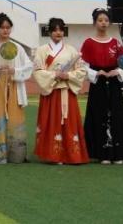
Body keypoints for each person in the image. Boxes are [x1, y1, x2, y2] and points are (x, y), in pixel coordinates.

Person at [32, 17, 89, 165]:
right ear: (49, 32)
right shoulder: (41, 51)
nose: (58, 33)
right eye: (55, 30)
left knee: (69, 123)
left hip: (67, 91)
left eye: (61, 30)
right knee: (51, 122)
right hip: (51, 92)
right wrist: (54, 75)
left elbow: (81, 70)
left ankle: (71, 155)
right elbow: (37, 71)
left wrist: (67, 75)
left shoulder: (72, 50)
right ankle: (53, 155)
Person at [81, 8, 123, 164]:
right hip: (98, 84)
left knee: (116, 115)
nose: (103, 23)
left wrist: (118, 71)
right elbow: (82, 66)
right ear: (94, 22)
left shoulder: (116, 43)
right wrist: (96, 73)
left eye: (106, 20)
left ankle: (118, 154)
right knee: (98, 115)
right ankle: (102, 154)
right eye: (100, 20)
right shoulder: (88, 43)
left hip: (114, 83)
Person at [0, 12, 34, 165]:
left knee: (15, 118)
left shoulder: (17, 47)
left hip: (14, 85)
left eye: (8, 27)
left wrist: (15, 71)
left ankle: (16, 155)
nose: (5, 30)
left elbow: (29, 65)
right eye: (2, 27)